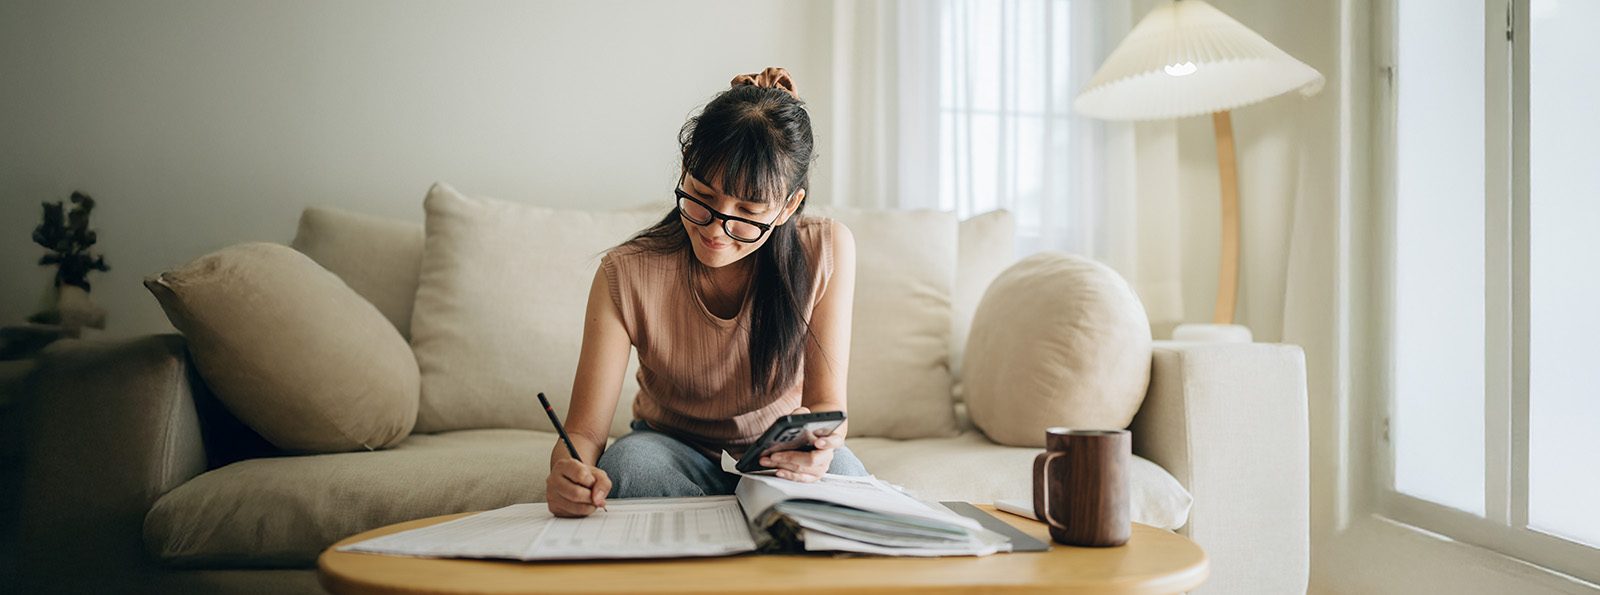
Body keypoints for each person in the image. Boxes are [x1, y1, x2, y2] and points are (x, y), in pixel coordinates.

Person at [545, 68, 865, 518]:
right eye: (701, 196)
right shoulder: (626, 272)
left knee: (846, 480)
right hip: (670, 447)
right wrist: (567, 468)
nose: (717, 229)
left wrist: (821, 448)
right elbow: (584, 432)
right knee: (629, 468)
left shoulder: (825, 249)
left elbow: (827, 406)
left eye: (748, 211)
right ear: (685, 165)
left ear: (789, 206)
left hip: (776, 453)